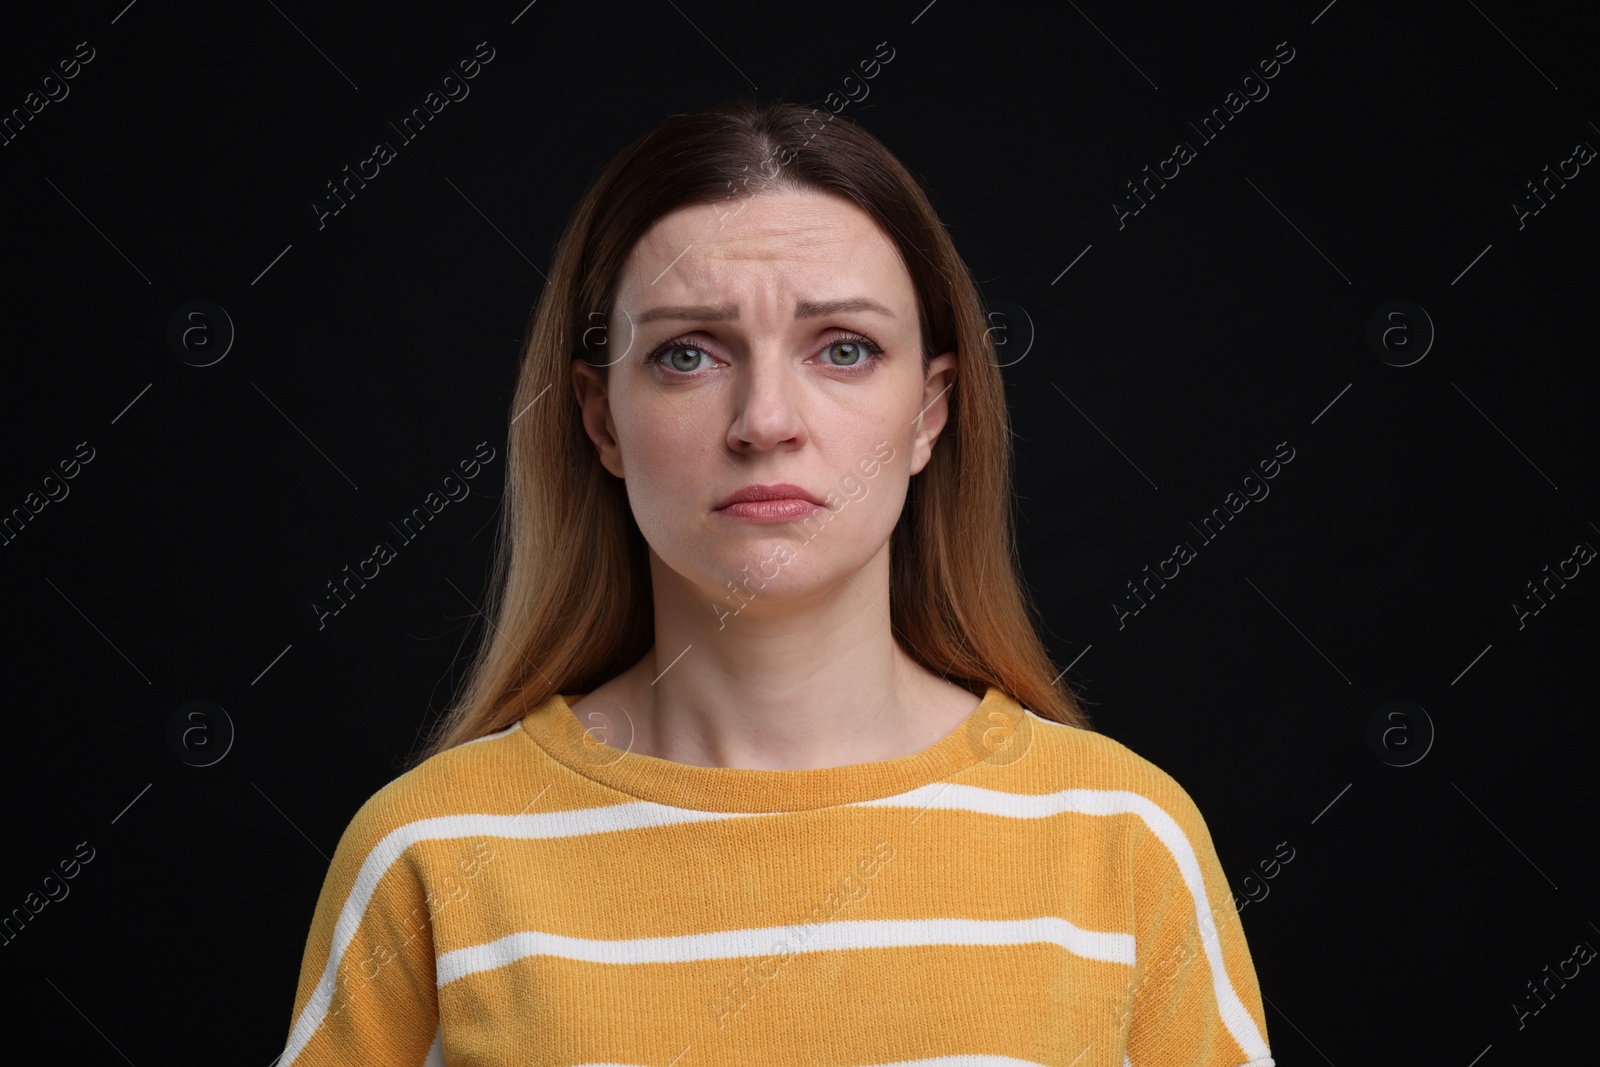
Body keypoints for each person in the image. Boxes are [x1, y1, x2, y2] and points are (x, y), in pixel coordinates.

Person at [278, 98, 1275, 1066]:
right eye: (687, 354)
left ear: (929, 411)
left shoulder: (1123, 842)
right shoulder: (429, 853)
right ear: (600, 418)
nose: (765, 420)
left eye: (842, 349)